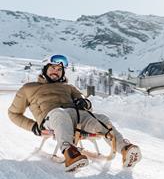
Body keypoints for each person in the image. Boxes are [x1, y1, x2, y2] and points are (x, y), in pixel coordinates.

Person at [8, 54, 142, 172]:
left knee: (102, 119)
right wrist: (34, 127)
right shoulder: (29, 88)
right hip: (51, 119)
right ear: (45, 69)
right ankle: (70, 154)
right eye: (53, 68)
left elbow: (87, 104)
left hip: (77, 117)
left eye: (59, 69)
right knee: (59, 113)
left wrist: (84, 103)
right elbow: (13, 113)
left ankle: (125, 149)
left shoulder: (69, 87)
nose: (56, 71)